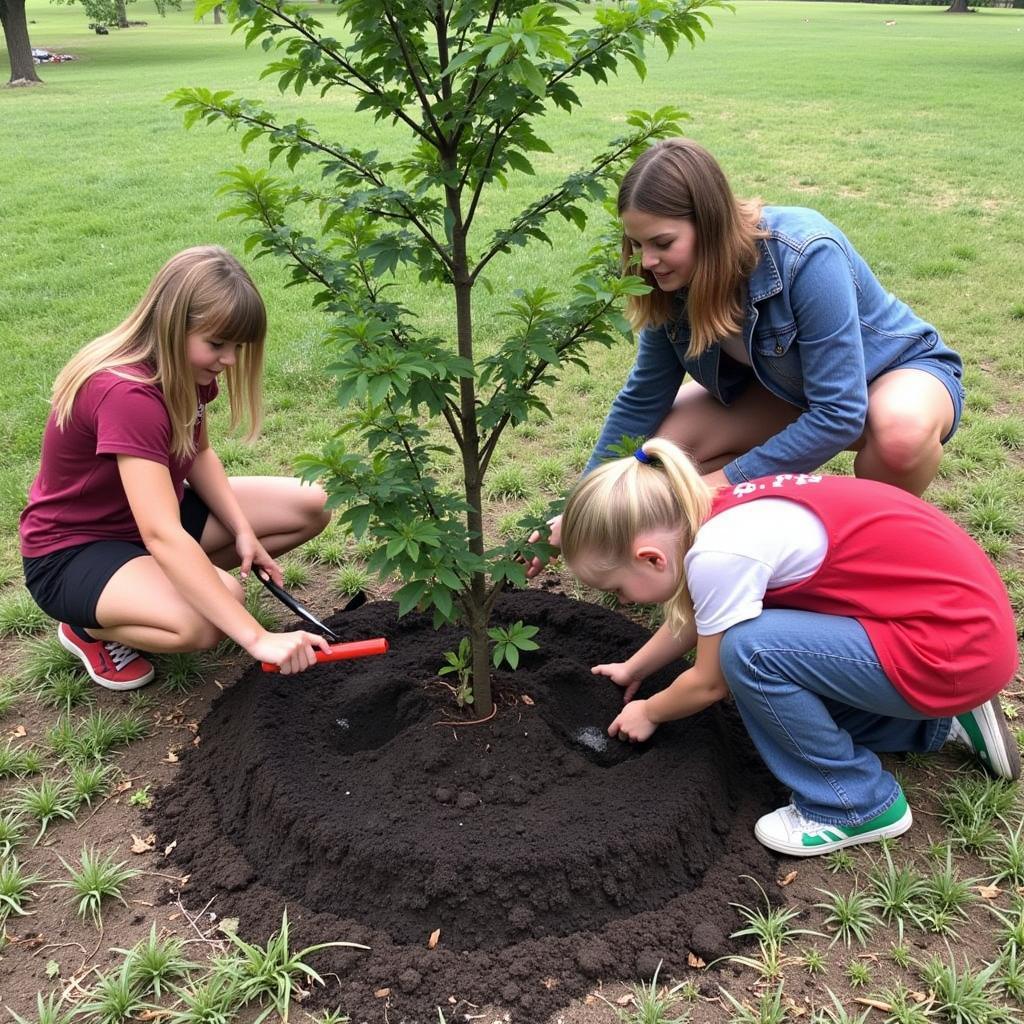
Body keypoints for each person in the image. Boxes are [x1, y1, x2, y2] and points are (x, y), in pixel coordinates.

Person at [558, 437, 1019, 857]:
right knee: (779, 706)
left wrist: (651, 711)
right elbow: (705, 615)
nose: (621, 601)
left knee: (750, 654)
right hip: (958, 630)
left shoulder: (721, 554)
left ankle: (854, 803)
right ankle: (939, 724)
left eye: (618, 589)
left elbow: (708, 683)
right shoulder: (714, 511)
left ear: (650, 558)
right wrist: (635, 666)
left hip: (951, 650)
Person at [526, 138, 963, 577]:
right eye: (637, 245)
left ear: (710, 224)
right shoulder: (670, 283)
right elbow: (643, 398)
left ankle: (873, 558)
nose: (648, 261)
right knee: (665, 456)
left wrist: (715, 486)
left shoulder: (805, 252)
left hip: (893, 372)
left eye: (662, 242)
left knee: (900, 437)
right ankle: (723, 563)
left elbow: (840, 413)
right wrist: (578, 507)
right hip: (790, 391)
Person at [20, 245, 333, 689]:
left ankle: (159, 587)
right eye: (217, 344)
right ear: (172, 325)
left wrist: (241, 528)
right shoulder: (127, 394)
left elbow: (199, 453)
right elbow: (162, 534)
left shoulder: (187, 372)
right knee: (205, 621)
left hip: (146, 516)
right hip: (74, 550)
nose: (230, 360)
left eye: (238, 346)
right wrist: (258, 638)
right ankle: (86, 628)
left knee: (311, 505)